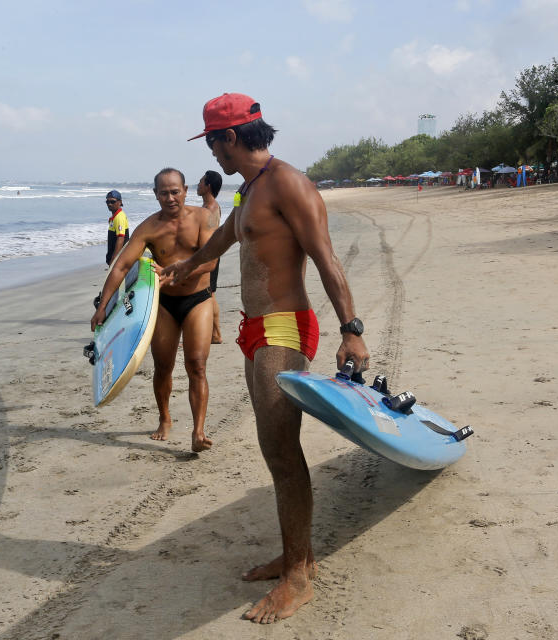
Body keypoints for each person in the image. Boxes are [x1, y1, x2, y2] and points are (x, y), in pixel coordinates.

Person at [164, 93, 370, 623]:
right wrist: (184, 269)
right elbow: (228, 238)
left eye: (212, 140)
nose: (212, 152)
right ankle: (292, 554)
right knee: (274, 450)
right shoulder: (249, 190)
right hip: (254, 330)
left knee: (280, 449)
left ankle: (300, 574)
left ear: (229, 137)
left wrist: (352, 331)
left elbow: (326, 256)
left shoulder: (288, 184)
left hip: (284, 328)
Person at [91, 169, 216, 452]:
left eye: (175, 191)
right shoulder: (148, 228)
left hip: (198, 298)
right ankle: (165, 417)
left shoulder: (202, 218)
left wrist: (176, 274)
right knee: (163, 366)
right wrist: (103, 305)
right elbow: (122, 266)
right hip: (164, 303)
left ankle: (198, 431)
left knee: (196, 364)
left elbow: (210, 260)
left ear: (185, 190)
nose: (170, 198)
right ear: (155, 194)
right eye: (163, 193)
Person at [197, 170, 223, 344]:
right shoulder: (209, 207)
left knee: (209, 294)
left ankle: (216, 334)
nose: (197, 185)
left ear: (208, 186)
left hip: (209, 255)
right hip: (210, 254)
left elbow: (210, 236)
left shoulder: (210, 209)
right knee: (209, 293)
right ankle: (214, 334)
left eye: (201, 181)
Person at [105, 189, 129, 266]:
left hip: (118, 260)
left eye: (112, 202)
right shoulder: (115, 217)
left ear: (120, 202)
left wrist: (114, 261)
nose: (109, 204)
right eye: (107, 202)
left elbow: (120, 239)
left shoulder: (119, 217)